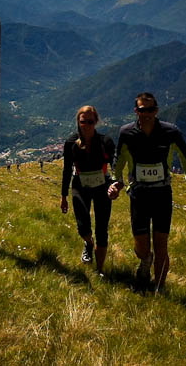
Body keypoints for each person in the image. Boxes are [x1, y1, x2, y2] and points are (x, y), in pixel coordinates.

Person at [108, 92, 186, 291]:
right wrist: (117, 182)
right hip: (138, 194)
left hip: (162, 194)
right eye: (142, 110)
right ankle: (145, 260)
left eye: (150, 110)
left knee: (161, 246)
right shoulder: (127, 133)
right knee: (141, 246)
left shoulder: (170, 132)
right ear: (136, 111)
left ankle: (159, 289)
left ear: (156, 110)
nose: (147, 114)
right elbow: (119, 159)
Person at [60, 105, 115, 273]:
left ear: (96, 122)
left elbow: (114, 168)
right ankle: (88, 242)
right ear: (78, 122)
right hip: (80, 186)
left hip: (101, 187)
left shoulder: (106, 142)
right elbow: (67, 169)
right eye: (83, 121)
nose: (87, 125)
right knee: (83, 226)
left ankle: (99, 271)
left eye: (91, 122)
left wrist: (115, 185)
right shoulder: (71, 142)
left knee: (102, 229)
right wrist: (63, 196)